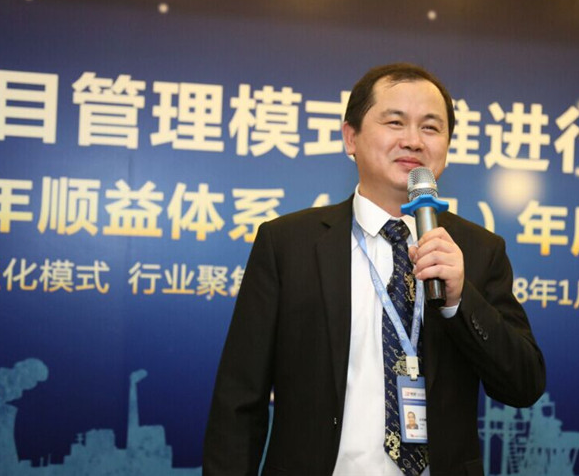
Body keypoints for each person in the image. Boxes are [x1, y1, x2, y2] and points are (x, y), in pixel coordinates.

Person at [203, 63, 545, 476]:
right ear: (351, 137)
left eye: (431, 127)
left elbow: (524, 385)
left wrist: (460, 300)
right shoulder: (287, 245)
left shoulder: (478, 250)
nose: (413, 140)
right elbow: (239, 399)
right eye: (395, 122)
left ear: (447, 146)